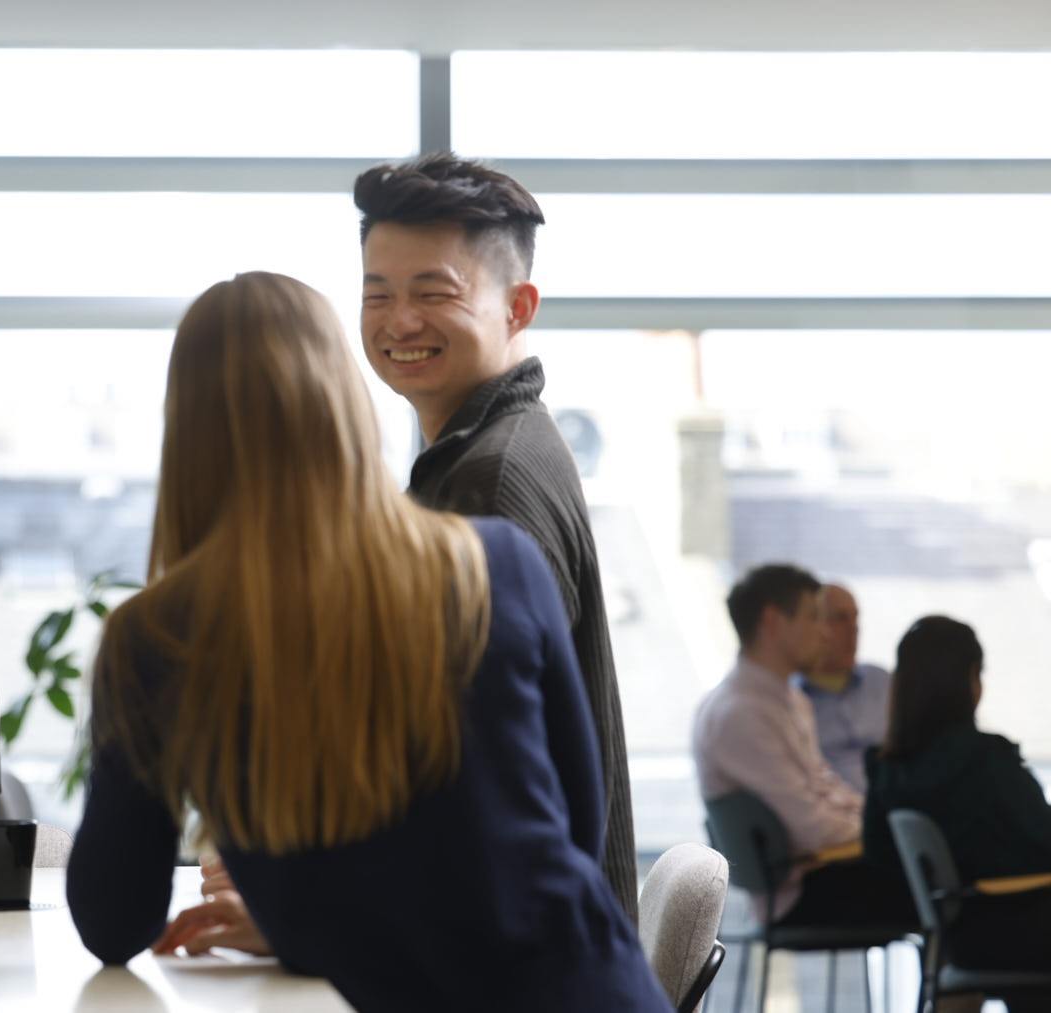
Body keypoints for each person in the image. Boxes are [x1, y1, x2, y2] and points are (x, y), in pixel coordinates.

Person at [65, 273, 670, 1010]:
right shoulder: (494, 565)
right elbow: (575, 827)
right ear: (344, 401)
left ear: (184, 433)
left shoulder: (157, 639)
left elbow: (115, 919)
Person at [351, 151, 636, 919]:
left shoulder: (492, 484)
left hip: (516, 951)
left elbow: (492, 805)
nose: (399, 321)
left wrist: (308, 909)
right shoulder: (486, 453)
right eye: (377, 294)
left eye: (433, 292)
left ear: (518, 306)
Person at [692, 564, 911, 926]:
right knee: (945, 885)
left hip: (827, 872)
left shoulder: (788, 701)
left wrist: (877, 822)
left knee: (943, 875)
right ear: (773, 621)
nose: (825, 633)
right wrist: (885, 830)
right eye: (813, 617)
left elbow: (826, 789)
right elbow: (810, 826)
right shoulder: (739, 714)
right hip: (801, 893)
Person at [862, 616, 1051, 1001]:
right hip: (1016, 930)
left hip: (957, 938)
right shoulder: (986, 762)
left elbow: (878, 854)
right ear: (969, 681)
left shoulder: (888, 770)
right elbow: (1043, 839)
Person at [797, 583, 891, 792]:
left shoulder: (883, 682)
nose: (853, 628)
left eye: (855, 618)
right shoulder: (789, 700)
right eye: (840, 618)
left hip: (895, 804)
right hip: (831, 807)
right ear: (813, 625)